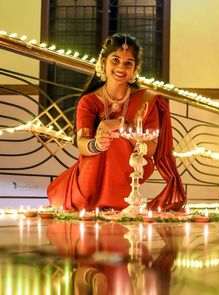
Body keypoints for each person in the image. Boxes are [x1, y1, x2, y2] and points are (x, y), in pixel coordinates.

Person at [47, 33, 186, 211]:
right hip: (91, 176)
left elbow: (151, 149)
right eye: (115, 60)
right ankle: (94, 198)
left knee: (118, 138)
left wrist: (124, 127)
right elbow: (82, 143)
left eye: (128, 63)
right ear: (103, 63)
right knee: (108, 142)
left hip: (131, 168)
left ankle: (117, 199)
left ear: (135, 69)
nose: (121, 67)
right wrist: (98, 143)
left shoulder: (147, 101)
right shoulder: (89, 101)